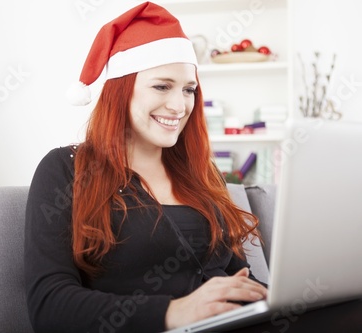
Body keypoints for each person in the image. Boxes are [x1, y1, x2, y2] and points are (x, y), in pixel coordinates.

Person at [24, 2, 267, 332]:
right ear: (121, 91)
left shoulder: (202, 171)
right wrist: (174, 311)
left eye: (189, 89)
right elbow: (49, 306)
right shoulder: (66, 169)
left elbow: (239, 281)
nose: (179, 105)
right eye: (162, 86)